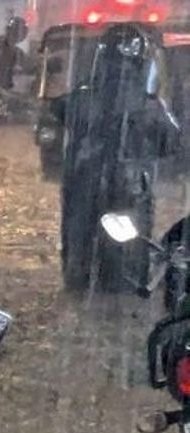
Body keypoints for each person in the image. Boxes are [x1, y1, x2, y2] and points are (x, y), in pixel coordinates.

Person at [54, 23, 182, 292]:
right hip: (127, 186)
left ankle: (81, 284)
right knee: (131, 259)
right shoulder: (149, 104)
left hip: (87, 184)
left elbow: (58, 120)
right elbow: (171, 140)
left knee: (78, 251)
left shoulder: (81, 97)